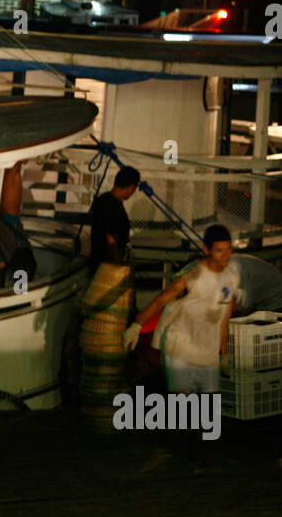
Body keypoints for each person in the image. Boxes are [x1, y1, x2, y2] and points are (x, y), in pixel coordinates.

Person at [124, 224, 239, 466]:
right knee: (184, 403)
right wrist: (138, 324)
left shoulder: (232, 278)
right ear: (206, 249)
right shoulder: (192, 275)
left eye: (229, 250)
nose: (225, 256)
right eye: (220, 251)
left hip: (206, 347)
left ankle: (192, 449)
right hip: (181, 345)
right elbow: (161, 299)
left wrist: (224, 352)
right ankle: (183, 450)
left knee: (208, 404)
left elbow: (224, 319)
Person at [81, 166, 140, 269]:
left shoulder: (102, 200)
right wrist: (118, 264)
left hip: (98, 260)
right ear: (131, 188)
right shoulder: (113, 206)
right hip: (107, 264)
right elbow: (111, 240)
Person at [0, 160, 37, 287]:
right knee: (13, 170)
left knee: (13, 170)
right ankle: (17, 296)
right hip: (14, 245)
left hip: (15, 248)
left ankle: (16, 296)